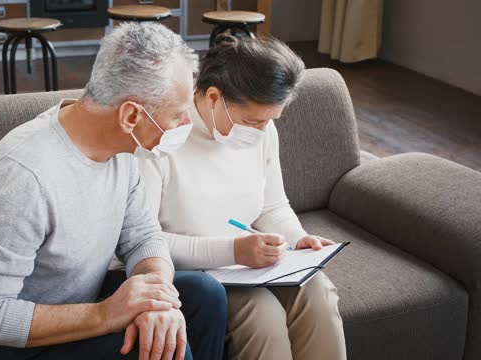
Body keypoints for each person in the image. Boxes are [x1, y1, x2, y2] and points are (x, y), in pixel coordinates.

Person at [0, 22, 227, 360]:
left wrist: (156, 298)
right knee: (153, 353)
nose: (185, 126)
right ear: (131, 115)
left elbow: (143, 238)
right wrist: (106, 314)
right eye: (177, 115)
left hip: (73, 304)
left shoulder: (122, 149)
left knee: (205, 294)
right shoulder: (22, 177)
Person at [133, 34, 347, 360]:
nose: (262, 132)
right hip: (192, 273)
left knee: (317, 291)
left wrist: (298, 238)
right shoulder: (160, 138)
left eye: (270, 121)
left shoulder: (260, 131)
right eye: (253, 121)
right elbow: (140, 242)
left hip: (248, 264)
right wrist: (233, 249)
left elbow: (273, 206)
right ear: (215, 97)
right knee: (260, 314)